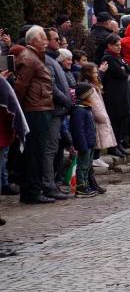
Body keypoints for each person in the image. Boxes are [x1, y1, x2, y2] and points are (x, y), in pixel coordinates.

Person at [13, 26, 56, 204]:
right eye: (42, 39)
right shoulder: (29, 59)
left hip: (40, 107)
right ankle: (32, 191)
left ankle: (34, 189)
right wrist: (19, 109)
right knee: (34, 152)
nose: (45, 42)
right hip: (35, 110)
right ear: (32, 41)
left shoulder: (34, 57)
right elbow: (20, 87)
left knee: (37, 151)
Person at [43, 29, 73, 200]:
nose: (59, 42)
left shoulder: (52, 59)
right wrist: (67, 102)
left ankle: (50, 182)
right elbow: (52, 87)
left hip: (59, 110)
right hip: (54, 110)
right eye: (56, 39)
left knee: (54, 149)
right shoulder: (47, 61)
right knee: (50, 149)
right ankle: (48, 184)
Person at [78, 62, 116, 180]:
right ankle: (85, 183)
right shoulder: (89, 89)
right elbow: (97, 108)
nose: (97, 75)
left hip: (93, 122)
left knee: (91, 154)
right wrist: (104, 118)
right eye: (95, 73)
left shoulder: (94, 86)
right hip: (93, 123)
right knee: (88, 157)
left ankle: (91, 181)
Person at [101, 34, 130, 157]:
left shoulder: (118, 57)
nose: (119, 47)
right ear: (109, 45)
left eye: (120, 45)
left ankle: (118, 144)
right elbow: (122, 73)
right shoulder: (108, 58)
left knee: (122, 120)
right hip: (114, 95)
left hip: (123, 93)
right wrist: (125, 69)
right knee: (115, 121)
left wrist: (125, 68)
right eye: (117, 45)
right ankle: (113, 146)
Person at [69, 83, 98, 197]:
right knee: (82, 167)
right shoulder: (79, 111)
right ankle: (81, 187)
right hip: (84, 144)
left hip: (90, 143)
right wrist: (82, 145)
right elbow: (78, 131)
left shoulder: (86, 109)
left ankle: (85, 185)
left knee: (87, 166)